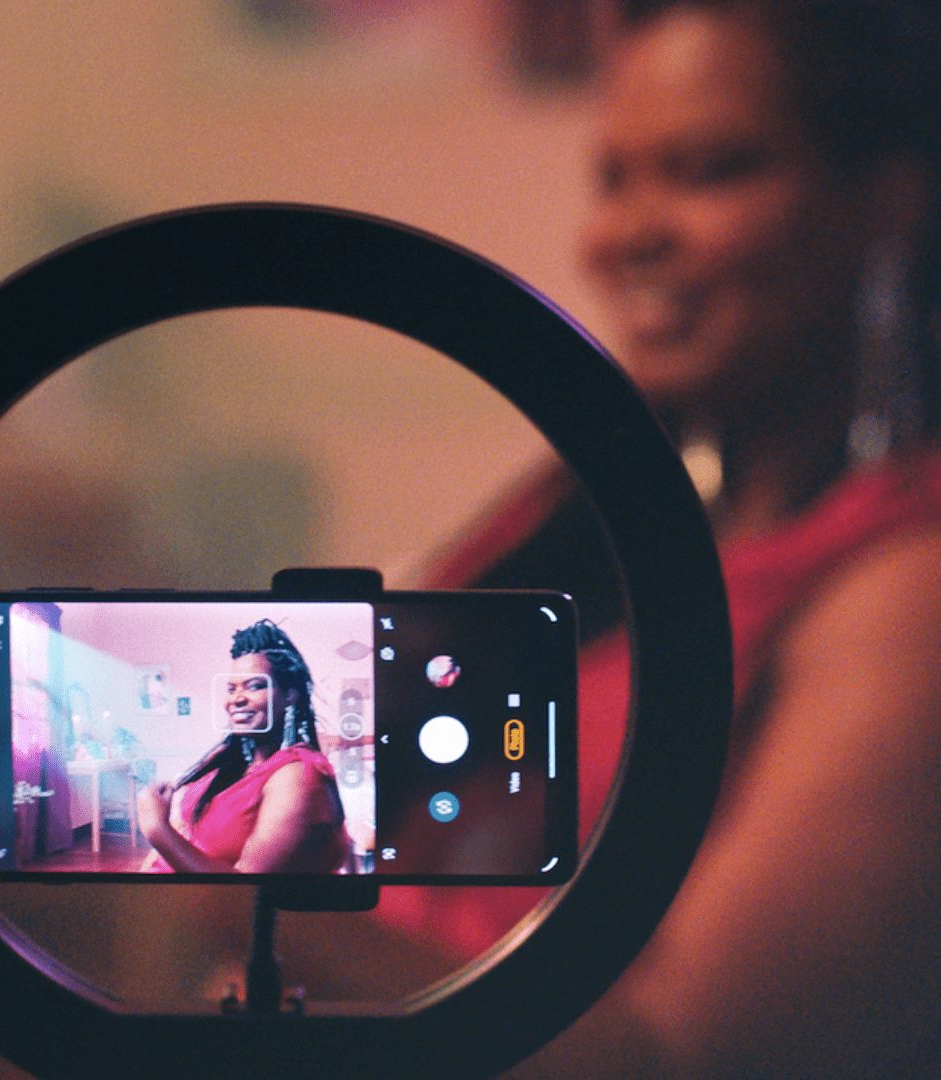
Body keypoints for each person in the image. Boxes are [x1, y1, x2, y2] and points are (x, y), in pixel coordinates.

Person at [381, 1, 941, 1074]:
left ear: (889, 201)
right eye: (615, 179)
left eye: (707, 170)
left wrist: (242, 908)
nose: (623, 235)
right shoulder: (585, 505)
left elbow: (683, 1054)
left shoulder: (909, 588)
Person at [137, 619, 351, 875]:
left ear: (289, 695)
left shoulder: (299, 777)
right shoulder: (229, 760)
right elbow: (185, 830)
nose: (237, 698)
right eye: (232, 688)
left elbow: (244, 887)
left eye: (255, 686)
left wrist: (157, 830)